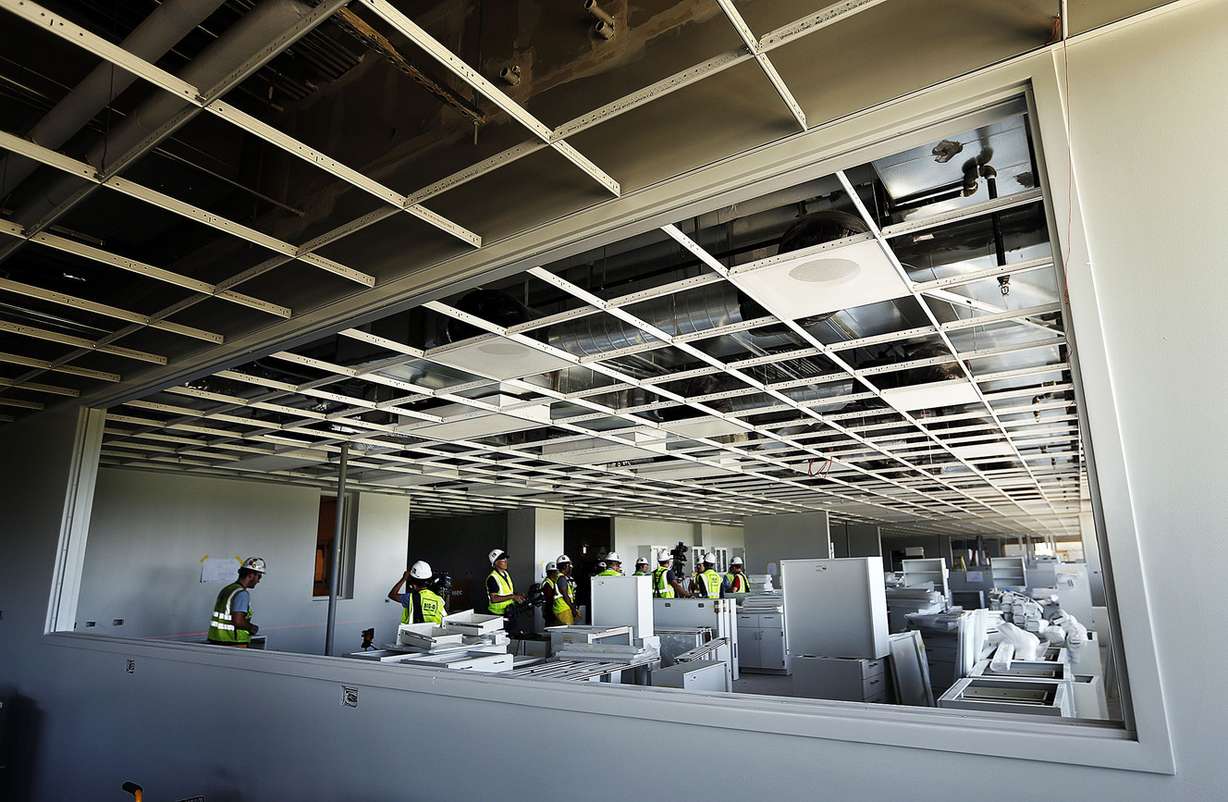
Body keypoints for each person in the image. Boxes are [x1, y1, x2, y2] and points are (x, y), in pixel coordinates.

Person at [207, 557, 265, 647]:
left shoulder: (227, 589)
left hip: (216, 640)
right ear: (251, 575)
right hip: (233, 643)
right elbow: (238, 621)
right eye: (259, 576)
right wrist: (252, 628)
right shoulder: (242, 593)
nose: (259, 581)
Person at [387, 560, 446, 625]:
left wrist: (404, 579)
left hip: (413, 634)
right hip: (435, 634)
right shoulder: (439, 599)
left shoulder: (410, 598)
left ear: (413, 585)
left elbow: (392, 594)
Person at [486, 549, 523, 617]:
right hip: (497, 614)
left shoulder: (505, 574)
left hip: (509, 611)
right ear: (496, 562)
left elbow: (507, 592)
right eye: (503, 560)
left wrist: (517, 596)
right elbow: (493, 599)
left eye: (506, 559)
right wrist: (513, 596)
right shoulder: (492, 578)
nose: (506, 561)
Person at [555, 554, 580, 625]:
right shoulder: (562, 578)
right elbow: (565, 596)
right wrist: (573, 609)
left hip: (561, 609)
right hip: (564, 609)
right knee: (567, 633)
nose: (570, 567)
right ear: (565, 566)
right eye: (569, 565)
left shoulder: (558, 577)